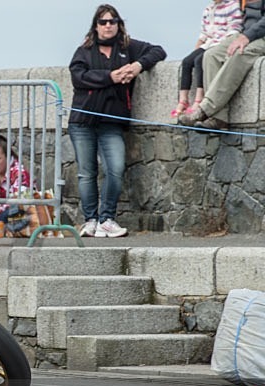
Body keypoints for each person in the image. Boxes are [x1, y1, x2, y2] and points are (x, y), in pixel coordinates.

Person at [68, 4, 166, 238]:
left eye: (113, 21)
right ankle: (90, 219)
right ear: (96, 26)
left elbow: (158, 51)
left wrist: (137, 66)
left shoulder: (128, 48)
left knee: (116, 168)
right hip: (83, 120)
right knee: (86, 172)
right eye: (103, 22)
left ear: (119, 24)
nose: (108, 26)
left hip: (112, 122)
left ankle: (107, 218)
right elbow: (78, 76)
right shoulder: (84, 51)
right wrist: (110, 77)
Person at [179, 0, 265, 130]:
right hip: (246, 34)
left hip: (260, 36)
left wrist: (247, 37)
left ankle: (205, 108)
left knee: (239, 53)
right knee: (210, 56)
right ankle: (219, 118)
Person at [170, 0, 243, 118]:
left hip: (221, 43)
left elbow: (235, 28)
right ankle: (183, 100)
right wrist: (195, 50)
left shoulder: (232, 5)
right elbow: (203, 34)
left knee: (200, 60)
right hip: (209, 43)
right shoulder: (209, 9)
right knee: (187, 62)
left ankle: (199, 99)